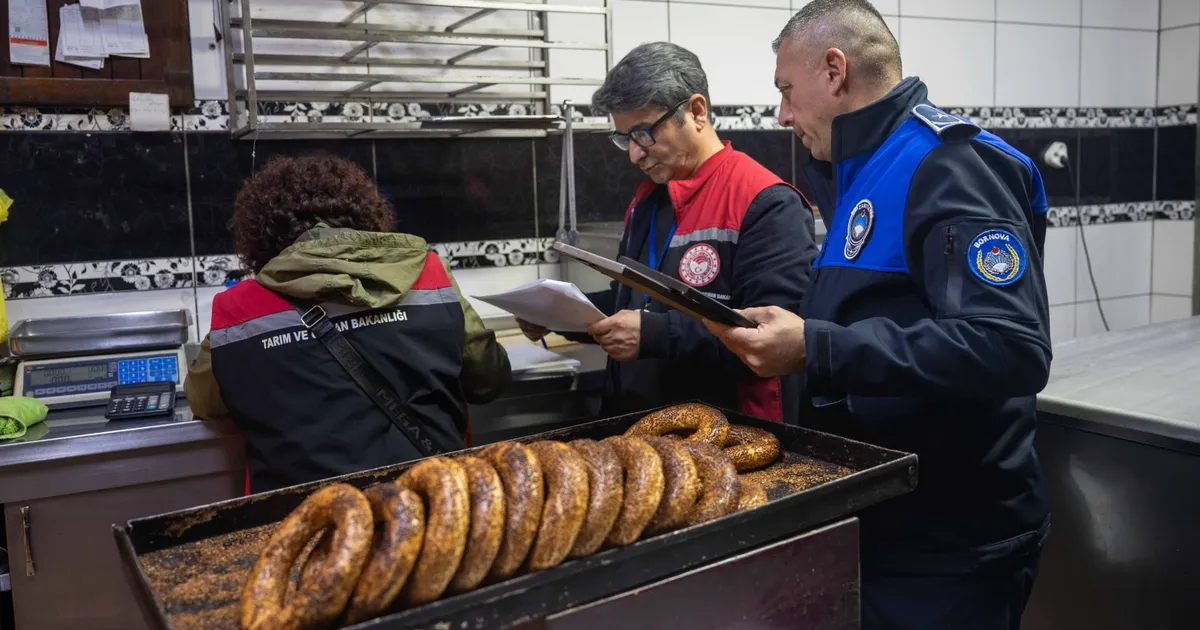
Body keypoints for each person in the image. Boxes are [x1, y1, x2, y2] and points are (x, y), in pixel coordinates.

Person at [703, 2, 1052, 629]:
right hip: (891, 522)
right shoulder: (862, 169)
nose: (782, 113)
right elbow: (883, 313)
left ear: (834, 70)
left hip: (952, 544)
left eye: (786, 91)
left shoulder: (946, 164)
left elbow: (1011, 345)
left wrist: (817, 347)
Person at [520, 42, 819, 423]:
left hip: (725, 438)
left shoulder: (767, 203)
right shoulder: (648, 201)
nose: (634, 153)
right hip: (639, 429)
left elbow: (772, 339)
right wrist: (559, 314)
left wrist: (655, 335)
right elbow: (631, 302)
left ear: (696, 111)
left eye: (644, 133)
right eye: (624, 137)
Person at [185, 155, 511, 493]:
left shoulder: (238, 312)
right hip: (434, 513)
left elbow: (205, 403)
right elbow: (489, 378)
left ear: (261, 235)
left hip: (310, 529)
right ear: (365, 214)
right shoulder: (431, 277)